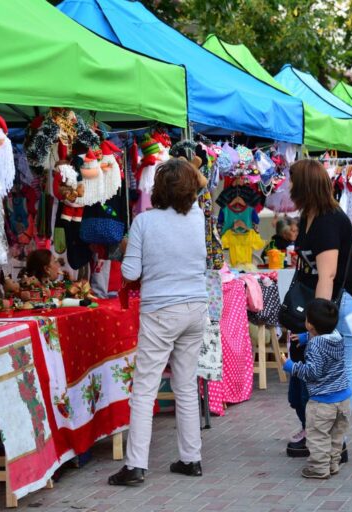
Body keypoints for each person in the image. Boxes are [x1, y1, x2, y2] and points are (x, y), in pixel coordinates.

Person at [108, 159, 208, 487]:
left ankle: (136, 465)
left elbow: (130, 274)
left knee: (145, 389)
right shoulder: (197, 217)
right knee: (186, 385)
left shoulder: (144, 222)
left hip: (161, 311)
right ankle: (191, 458)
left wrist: (125, 251)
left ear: (158, 188)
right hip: (195, 306)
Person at [286, 159, 352, 459]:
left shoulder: (327, 220)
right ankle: (321, 433)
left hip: (341, 303)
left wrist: (317, 324)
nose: (289, 185)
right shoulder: (310, 215)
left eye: (293, 180)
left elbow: (328, 275)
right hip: (328, 301)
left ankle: (337, 441)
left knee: (339, 370)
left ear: (305, 185)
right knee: (326, 371)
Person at [282, 299, 350, 479]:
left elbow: (312, 373)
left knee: (318, 436)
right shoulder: (337, 336)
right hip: (343, 399)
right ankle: (333, 464)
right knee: (336, 436)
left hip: (323, 401)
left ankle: (319, 468)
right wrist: (306, 337)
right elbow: (323, 337)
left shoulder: (315, 345)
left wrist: (291, 366)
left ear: (310, 325)